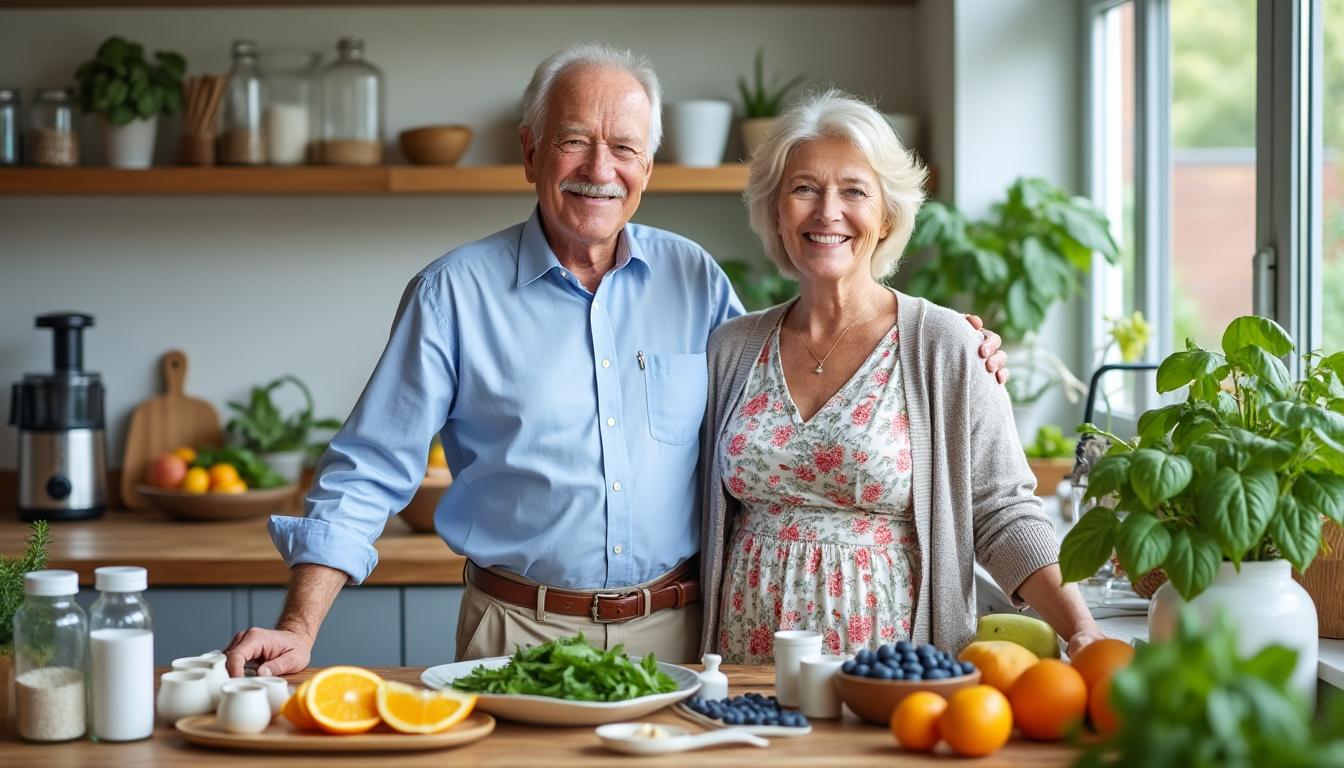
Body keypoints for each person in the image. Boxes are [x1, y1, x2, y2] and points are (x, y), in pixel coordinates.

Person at [224, 46, 1006, 677]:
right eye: (574, 140)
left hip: (684, 637)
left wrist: (940, 344)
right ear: (531, 151)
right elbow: (368, 471)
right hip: (513, 633)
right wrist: (300, 626)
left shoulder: (696, 279)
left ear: (648, 167)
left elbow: (781, 385)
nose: (600, 167)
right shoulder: (451, 293)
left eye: (624, 147)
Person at [699, 91, 1102, 662]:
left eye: (854, 191)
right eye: (804, 188)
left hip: (891, 667)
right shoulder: (732, 348)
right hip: (747, 666)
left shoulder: (946, 345)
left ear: (887, 214)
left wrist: (1082, 629)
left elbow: (1002, 511)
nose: (827, 212)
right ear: (775, 210)